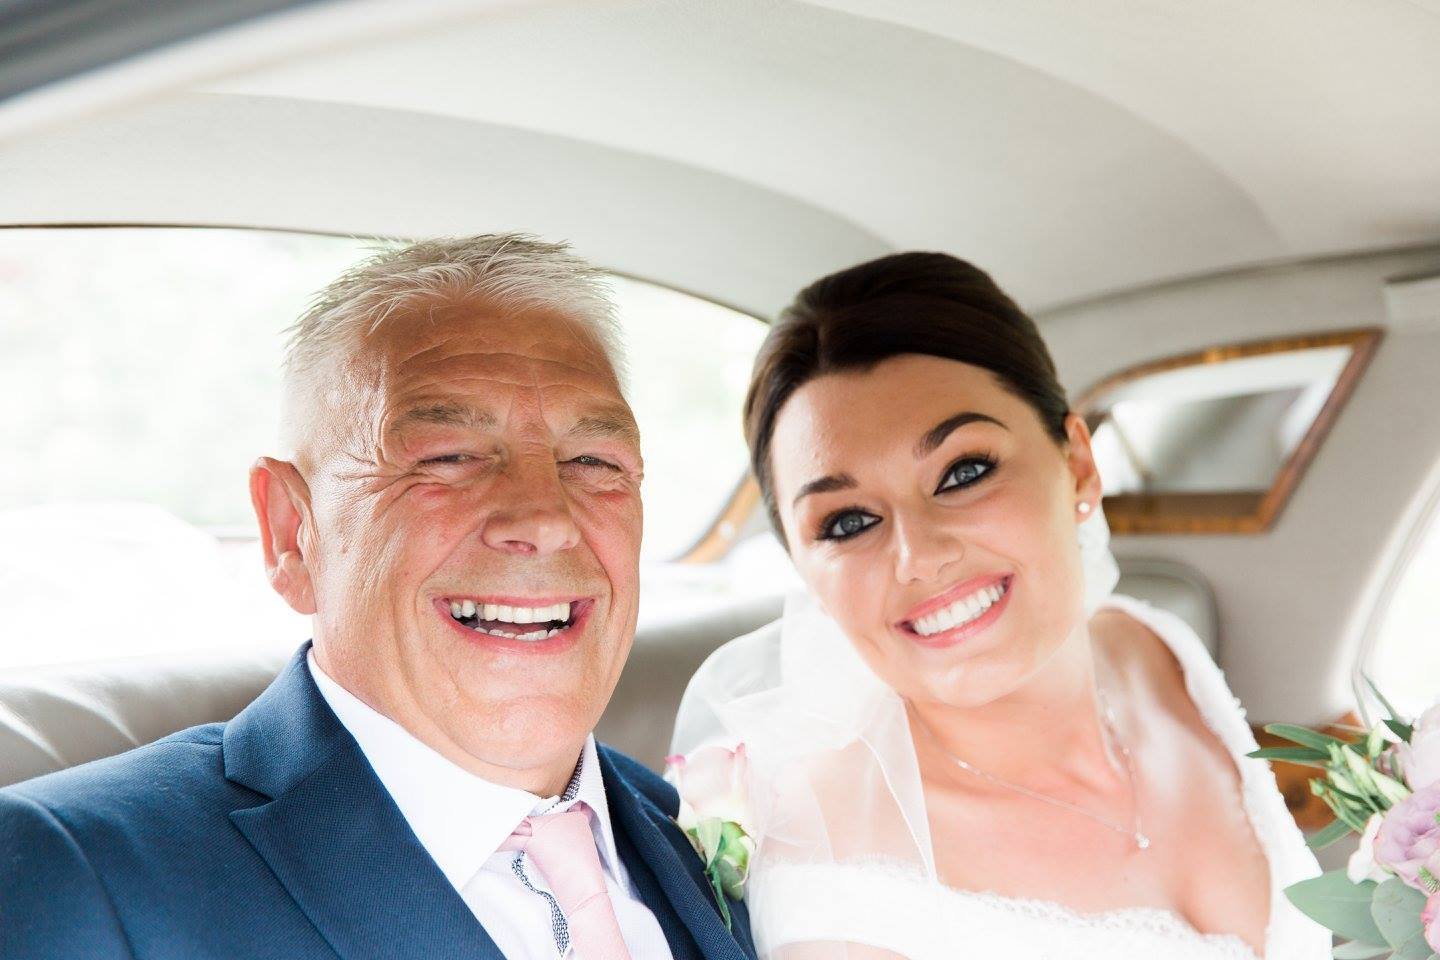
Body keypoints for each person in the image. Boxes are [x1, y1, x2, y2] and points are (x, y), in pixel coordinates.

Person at [0, 235, 757, 960]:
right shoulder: (73, 872)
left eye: (593, 460)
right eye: (450, 456)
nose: (546, 520)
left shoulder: (716, 832)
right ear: (292, 532)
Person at [672, 252, 1329, 959]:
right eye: (848, 523)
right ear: (806, 574)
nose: (918, 556)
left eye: (963, 472)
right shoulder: (842, 900)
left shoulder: (1154, 648)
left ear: (1077, 463)